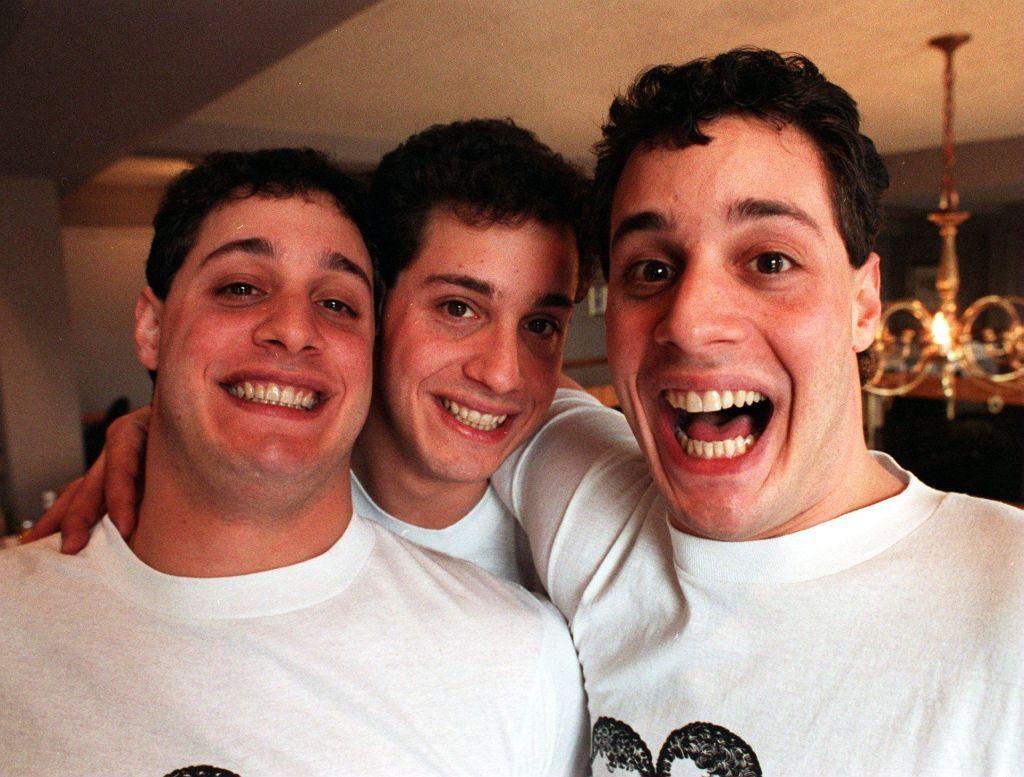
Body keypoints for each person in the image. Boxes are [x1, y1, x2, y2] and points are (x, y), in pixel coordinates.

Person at [490, 49, 1023, 775]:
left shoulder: (1008, 600)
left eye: (770, 261)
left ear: (865, 302)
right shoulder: (589, 505)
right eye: (651, 268)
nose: (690, 320)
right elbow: (470, 386)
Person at [1, 148, 587, 775]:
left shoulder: (530, 633)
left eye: (335, 303)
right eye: (240, 288)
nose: (292, 329)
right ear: (151, 325)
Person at [27, 119, 590, 592]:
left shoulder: (579, 512)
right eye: (457, 309)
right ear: (373, 309)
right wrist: (165, 428)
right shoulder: (274, 498)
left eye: (541, 324)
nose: (501, 373)